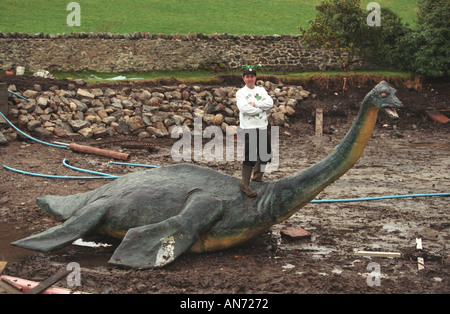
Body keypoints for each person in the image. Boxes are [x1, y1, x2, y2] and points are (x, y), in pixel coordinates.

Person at [236, 65, 273, 198]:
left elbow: (270, 103)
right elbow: (244, 109)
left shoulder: (261, 90)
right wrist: (261, 109)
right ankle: (245, 184)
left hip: (262, 126)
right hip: (249, 127)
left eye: (252, 76)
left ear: (255, 77)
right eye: (247, 77)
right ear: (244, 78)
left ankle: (257, 178)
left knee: (265, 154)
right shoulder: (241, 93)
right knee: (250, 156)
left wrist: (256, 104)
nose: (250, 79)